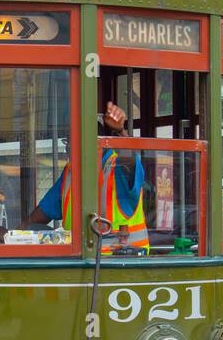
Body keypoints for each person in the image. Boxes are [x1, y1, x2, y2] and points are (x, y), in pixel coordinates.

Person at [24, 101, 149, 251]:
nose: (67, 148)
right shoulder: (71, 172)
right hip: (78, 264)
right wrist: (12, 234)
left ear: (92, 144)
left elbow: (130, 160)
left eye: (72, 142)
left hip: (125, 267)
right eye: (67, 141)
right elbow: (41, 214)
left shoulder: (118, 167)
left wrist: (120, 131)